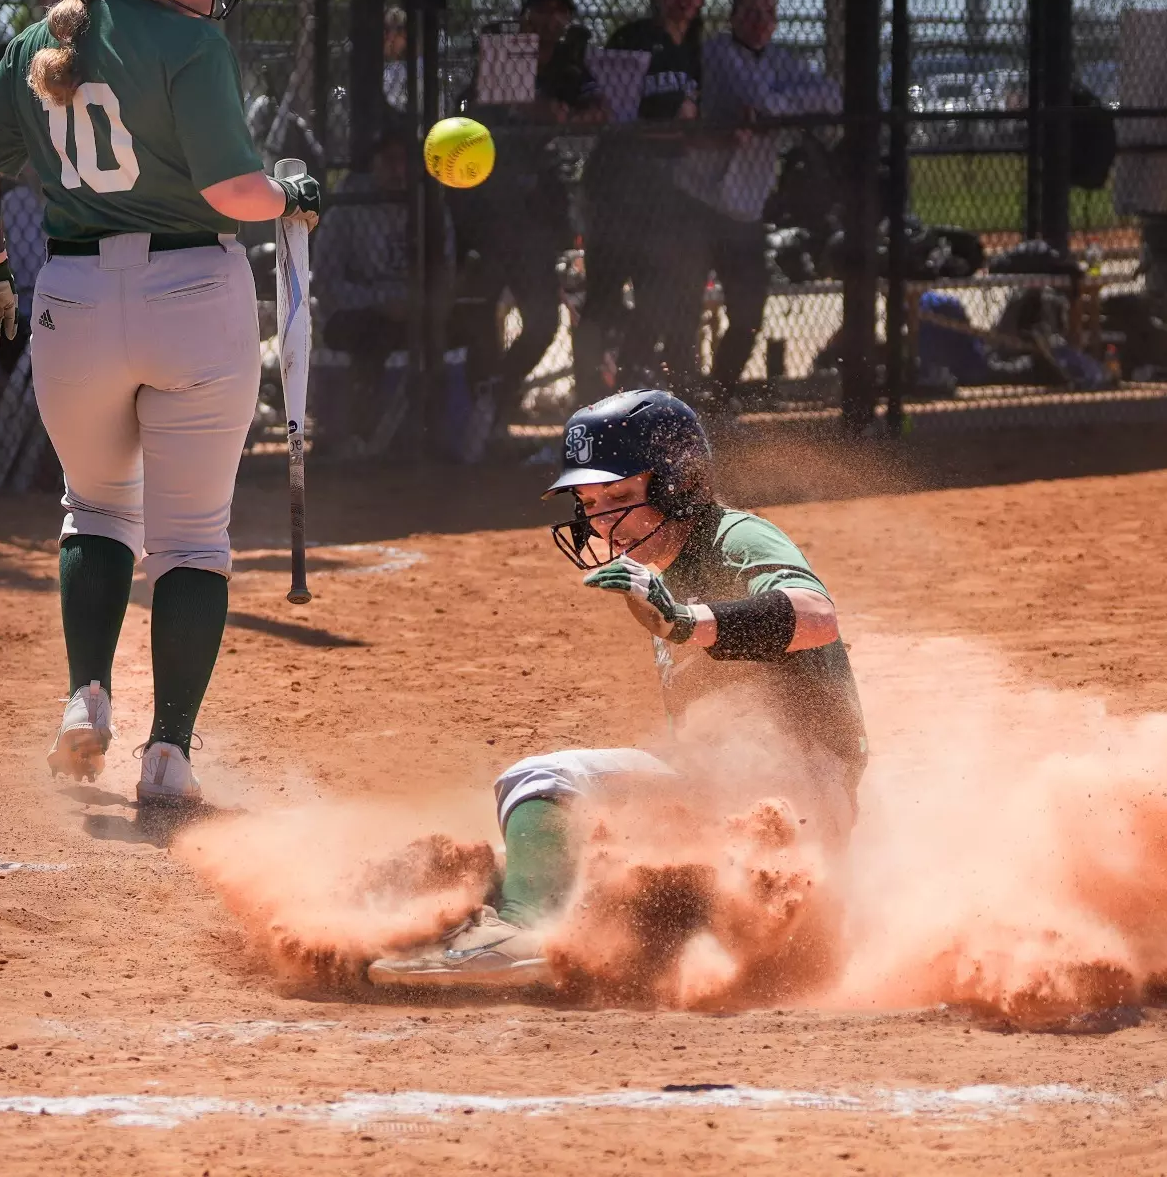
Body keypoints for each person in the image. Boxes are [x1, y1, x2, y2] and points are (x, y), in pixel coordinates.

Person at [0, 0, 320, 808]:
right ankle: (169, 755)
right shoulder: (190, 45)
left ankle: (85, 699)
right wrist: (294, 193)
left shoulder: (41, 39)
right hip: (193, 289)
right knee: (192, 539)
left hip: (71, 295)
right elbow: (236, 196)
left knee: (96, 510)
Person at [368, 389, 867, 987]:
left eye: (622, 497)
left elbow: (816, 615)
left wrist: (690, 620)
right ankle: (514, 925)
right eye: (590, 503)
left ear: (681, 484)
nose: (604, 521)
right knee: (557, 858)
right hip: (730, 792)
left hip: (790, 794)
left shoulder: (736, 537)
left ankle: (522, 937)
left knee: (542, 779)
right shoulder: (662, 571)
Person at [677, 0, 840, 406]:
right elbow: (750, 95)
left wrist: (772, 107)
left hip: (745, 210)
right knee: (683, 312)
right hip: (696, 203)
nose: (760, 20)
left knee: (749, 315)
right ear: (732, 17)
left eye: (769, 11)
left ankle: (717, 396)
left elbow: (829, 95)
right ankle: (679, 401)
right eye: (750, 11)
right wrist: (782, 105)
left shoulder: (780, 59)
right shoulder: (717, 51)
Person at [455, 0, 604, 428]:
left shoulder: (570, 64)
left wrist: (563, 113)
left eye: (559, 11)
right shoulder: (502, 53)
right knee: (477, 314)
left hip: (537, 213)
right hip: (485, 209)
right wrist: (541, 108)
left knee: (542, 321)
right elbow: (481, 106)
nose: (550, 20)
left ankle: (500, 391)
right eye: (541, 10)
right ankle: (476, 412)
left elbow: (598, 111)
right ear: (524, 14)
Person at [577, 0, 709, 395]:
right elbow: (614, 112)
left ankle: (631, 399)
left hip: (662, 196)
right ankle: (587, 403)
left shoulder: (696, 51)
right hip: (615, 189)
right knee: (602, 301)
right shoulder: (633, 38)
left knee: (655, 302)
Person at [311, 127, 453, 455]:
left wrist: (423, 302)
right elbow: (326, 285)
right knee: (372, 336)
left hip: (415, 308)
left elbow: (444, 272)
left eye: (407, 161)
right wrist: (378, 302)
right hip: (359, 314)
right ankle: (361, 435)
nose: (399, 170)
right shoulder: (346, 209)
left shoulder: (430, 207)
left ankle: (440, 435)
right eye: (390, 161)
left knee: (456, 327)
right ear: (371, 164)